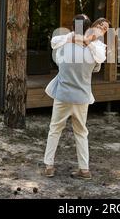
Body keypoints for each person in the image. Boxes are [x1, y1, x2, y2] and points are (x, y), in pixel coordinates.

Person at [42, 15, 109, 180]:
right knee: (81, 133)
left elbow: (57, 58)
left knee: (55, 130)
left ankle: (49, 166)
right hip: (82, 97)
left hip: (63, 95)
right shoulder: (95, 49)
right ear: (89, 27)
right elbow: (97, 67)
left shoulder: (63, 45)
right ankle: (84, 169)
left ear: (72, 26)